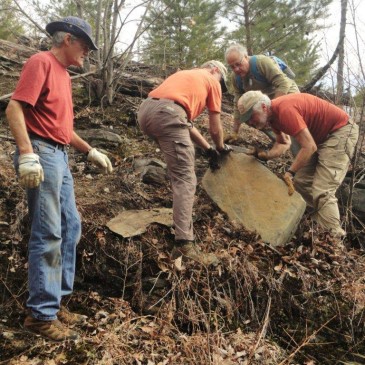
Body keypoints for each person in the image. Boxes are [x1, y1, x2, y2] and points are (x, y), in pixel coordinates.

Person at [5, 16, 113, 341]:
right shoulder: (42, 62)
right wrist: (26, 154)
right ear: (68, 39)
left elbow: (63, 129)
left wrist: (89, 150)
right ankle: (40, 315)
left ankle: (56, 301)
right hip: (41, 154)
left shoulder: (64, 75)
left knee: (71, 226)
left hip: (60, 155)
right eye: (85, 46)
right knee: (49, 231)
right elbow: (14, 108)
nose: (87, 54)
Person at [137, 61, 231, 265]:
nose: (220, 87)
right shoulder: (211, 80)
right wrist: (221, 148)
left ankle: (180, 233)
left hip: (146, 111)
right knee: (186, 179)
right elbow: (215, 127)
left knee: (179, 170)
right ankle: (184, 244)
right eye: (221, 82)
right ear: (215, 70)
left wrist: (207, 149)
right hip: (168, 114)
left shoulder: (184, 76)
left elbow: (182, 121)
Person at [237, 90, 359, 238]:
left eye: (251, 117)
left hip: (340, 131)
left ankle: (334, 239)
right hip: (318, 137)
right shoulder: (272, 116)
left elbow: (309, 147)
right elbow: (282, 143)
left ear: (263, 107)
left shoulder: (285, 110)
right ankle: (318, 223)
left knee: (323, 189)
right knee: (301, 182)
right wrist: (264, 155)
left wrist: (290, 172)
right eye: (247, 120)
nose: (250, 123)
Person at [224, 43, 300, 155]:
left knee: (291, 125)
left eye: (238, 64)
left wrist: (272, 110)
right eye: (232, 67)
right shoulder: (236, 78)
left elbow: (283, 83)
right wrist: (234, 132)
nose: (236, 69)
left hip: (287, 93)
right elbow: (238, 105)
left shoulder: (261, 63)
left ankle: (302, 156)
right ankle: (281, 141)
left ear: (245, 56)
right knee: (253, 118)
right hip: (265, 101)